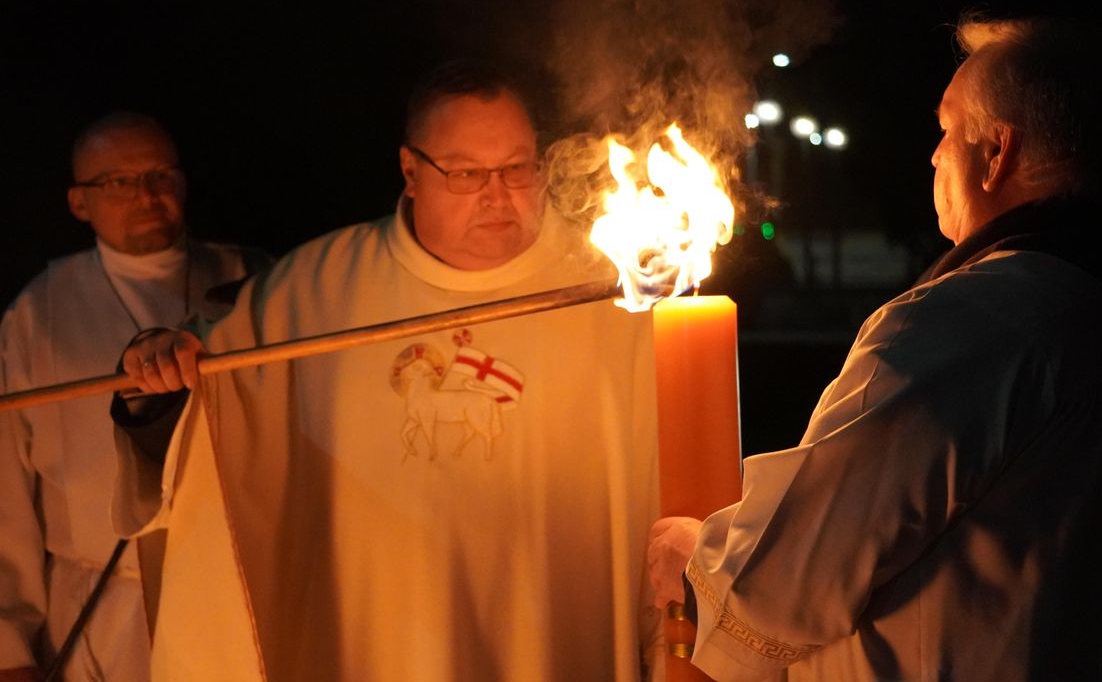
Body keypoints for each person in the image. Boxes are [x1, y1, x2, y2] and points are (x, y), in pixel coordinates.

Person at [112, 62, 661, 681]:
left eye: (516, 168)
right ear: (410, 171)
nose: (497, 194)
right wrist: (159, 369)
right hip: (378, 637)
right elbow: (205, 409)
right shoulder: (317, 290)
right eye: (465, 173)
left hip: (553, 628)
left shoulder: (607, 287)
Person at [648, 16, 1102, 681]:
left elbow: (777, 592)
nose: (934, 156)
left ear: (997, 153)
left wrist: (690, 557)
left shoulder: (968, 324)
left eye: (945, 130)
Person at [0, 113, 273, 682]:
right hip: (96, 605)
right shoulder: (38, 312)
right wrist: (9, 651)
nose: (146, 195)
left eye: (160, 175)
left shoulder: (254, 281)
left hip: (226, 590)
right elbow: (6, 493)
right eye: (118, 182)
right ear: (80, 202)